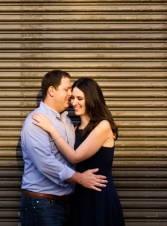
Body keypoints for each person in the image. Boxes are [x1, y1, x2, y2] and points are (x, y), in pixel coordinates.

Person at [20, 70, 108, 226]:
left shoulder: (66, 121)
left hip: (66, 205)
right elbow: (45, 163)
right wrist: (80, 178)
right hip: (41, 204)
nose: (70, 94)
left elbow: (72, 154)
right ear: (51, 91)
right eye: (66, 89)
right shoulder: (35, 121)